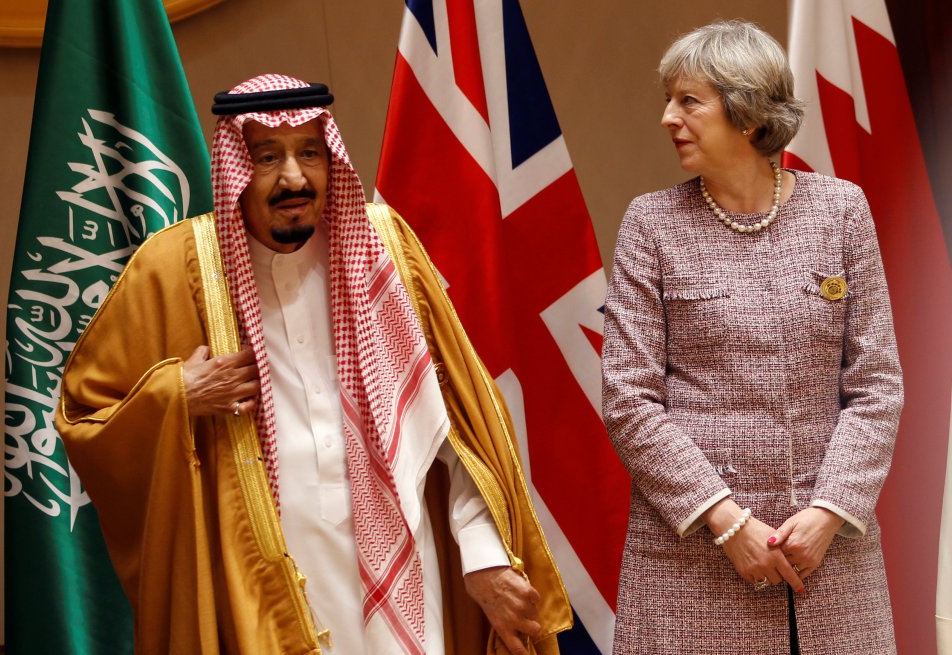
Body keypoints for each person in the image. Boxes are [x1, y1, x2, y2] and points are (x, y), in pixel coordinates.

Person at [56, 74, 571, 655]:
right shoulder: (172, 270)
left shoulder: (384, 248)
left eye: (309, 153)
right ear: (234, 169)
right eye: (267, 157)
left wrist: (482, 556)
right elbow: (84, 417)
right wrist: (176, 394)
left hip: (408, 553)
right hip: (260, 573)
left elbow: (455, 422)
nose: (293, 177)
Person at [602, 21, 902, 655]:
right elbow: (629, 399)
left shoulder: (841, 210)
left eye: (688, 101)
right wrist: (726, 521)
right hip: (693, 563)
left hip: (829, 561)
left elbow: (876, 384)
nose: (667, 118)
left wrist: (832, 512)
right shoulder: (650, 224)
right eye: (669, 100)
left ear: (746, 112)